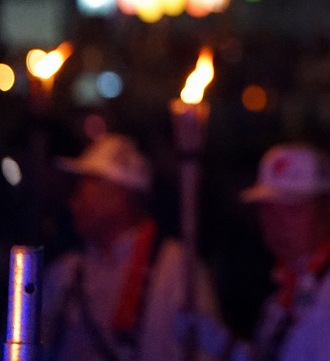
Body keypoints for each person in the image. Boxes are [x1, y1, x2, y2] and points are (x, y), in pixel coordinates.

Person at [184, 142, 330, 361]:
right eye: (268, 209)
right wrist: (228, 348)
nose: (277, 223)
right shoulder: (289, 286)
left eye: (293, 209)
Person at [41, 132, 221, 361]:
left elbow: (205, 351)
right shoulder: (66, 272)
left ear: (117, 195)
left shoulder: (177, 269)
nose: (74, 202)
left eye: (84, 190)